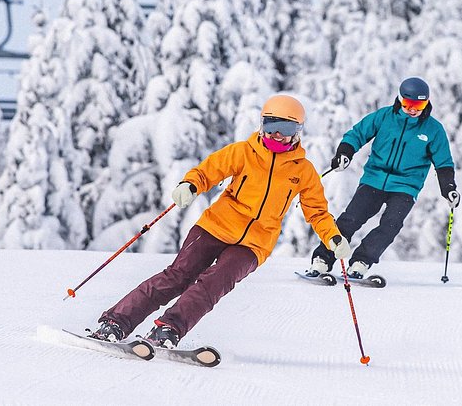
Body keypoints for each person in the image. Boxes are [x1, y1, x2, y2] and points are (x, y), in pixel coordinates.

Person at [89, 95, 352, 348]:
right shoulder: (243, 152)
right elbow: (208, 171)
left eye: (286, 127)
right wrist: (190, 185)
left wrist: (332, 236)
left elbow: (317, 211)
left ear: (297, 131)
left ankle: (169, 329)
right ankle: (115, 322)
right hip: (215, 226)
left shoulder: (303, 171)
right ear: (262, 126)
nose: (277, 135)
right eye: (271, 126)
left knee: (212, 285)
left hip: (254, 244)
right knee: (177, 276)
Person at [306, 77, 459, 279]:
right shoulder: (384, 117)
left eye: (419, 105)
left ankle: (361, 261)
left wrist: (448, 188)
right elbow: (356, 134)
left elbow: (443, 163)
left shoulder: (433, 130)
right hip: (374, 179)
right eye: (408, 104)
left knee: (391, 225)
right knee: (351, 219)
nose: (413, 110)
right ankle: (323, 259)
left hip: (406, 185)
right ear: (400, 99)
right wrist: (345, 152)